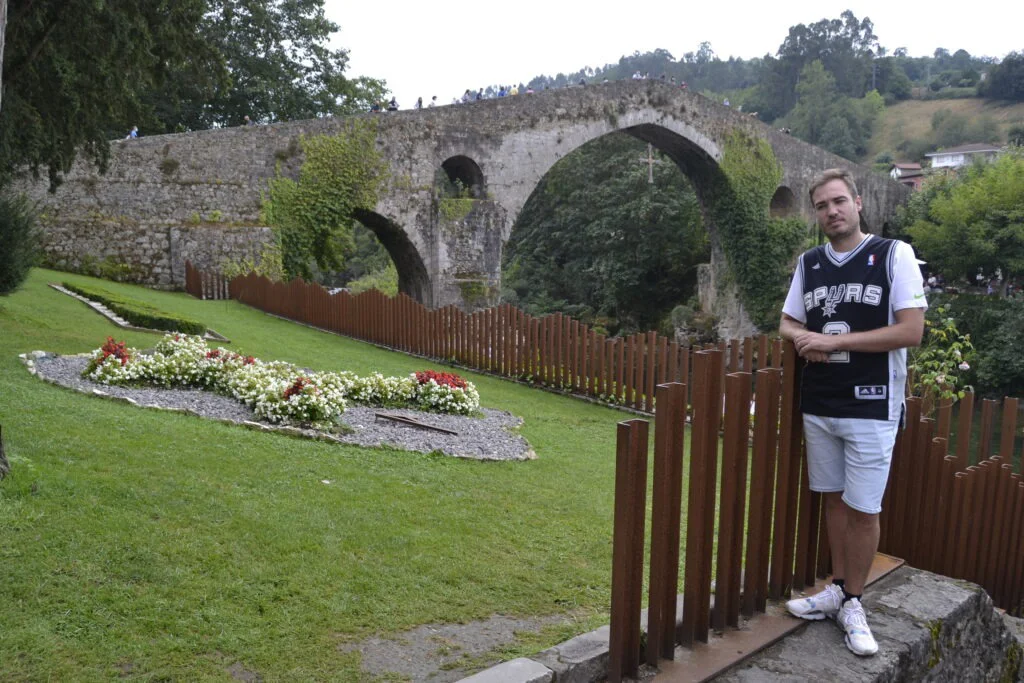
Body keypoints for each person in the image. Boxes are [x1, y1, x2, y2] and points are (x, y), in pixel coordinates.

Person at [780, 168, 926, 657]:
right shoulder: (810, 263)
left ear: (858, 203)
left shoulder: (893, 255)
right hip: (820, 402)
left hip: (871, 403)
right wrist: (802, 338)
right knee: (834, 500)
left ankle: (855, 602)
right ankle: (837, 590)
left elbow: (910, 332)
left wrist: (831, 339)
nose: (831, 212)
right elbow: (786, 321)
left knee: (865, 509)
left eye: (839, 201)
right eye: (821, 206)